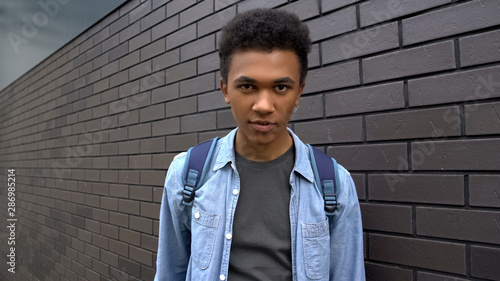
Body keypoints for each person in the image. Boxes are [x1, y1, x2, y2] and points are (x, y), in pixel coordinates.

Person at [154, 8, 365, 281]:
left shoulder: (334, 185)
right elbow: (170, 272)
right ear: (225, 89)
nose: (264, 106)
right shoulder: (187, 175)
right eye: (247, 87)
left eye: (280, 88)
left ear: (299, 91)